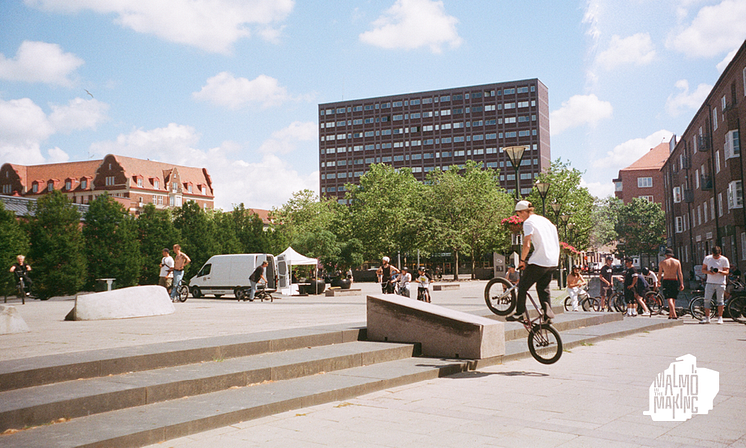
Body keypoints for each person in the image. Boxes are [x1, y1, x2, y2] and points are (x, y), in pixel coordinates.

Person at [506, 201, 559, 323]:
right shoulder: (546, 221)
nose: (519, 217)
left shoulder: (528, 222)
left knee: (523, 286)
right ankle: (547, 315)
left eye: (518, 214)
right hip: (552, 261)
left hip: (540, 261)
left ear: (523, 212)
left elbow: (527, 244)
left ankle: (519, 313)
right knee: (543, 288)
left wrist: (522, 260)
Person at [700, 246, 729, 324]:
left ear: (720, 253)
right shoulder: (707, 258)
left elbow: (727, 272)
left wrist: (720, 271)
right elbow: (703, 270)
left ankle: (720, 317)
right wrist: (709, 272)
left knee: (720, 300)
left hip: (720, 283)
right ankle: (707, 317)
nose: (716, 257)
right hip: (710, 282)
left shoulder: (724, 259)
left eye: (717, 255)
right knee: (707, 300)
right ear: (712, 253)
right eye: (714, 255)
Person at [658, 248, 684, 319]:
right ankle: (670, 314)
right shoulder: (677, 262)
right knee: (673, 298)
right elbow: (680, 273)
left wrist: (658, 281)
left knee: (669, 298)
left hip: (666, 280)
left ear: (666, 255)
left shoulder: (662, 262)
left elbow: (660, 274)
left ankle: (674, 314)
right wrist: (682, 283)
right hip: (674, 280)